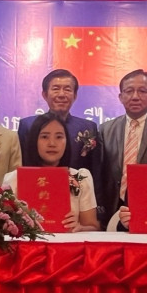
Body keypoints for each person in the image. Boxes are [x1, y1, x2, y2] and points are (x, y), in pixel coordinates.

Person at [17, 69, 102, 205]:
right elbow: (24, 164)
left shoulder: (88, 127)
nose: (62, 94)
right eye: (56, 89)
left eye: (67, 89)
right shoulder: (28, 125)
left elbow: (95, 171)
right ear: (45, 95)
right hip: (37, 195)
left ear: (75, 95)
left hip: (76, 199)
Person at [4, 113, 100, 232]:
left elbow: (93, 226)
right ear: (34, 141)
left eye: (59, 137)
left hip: (68, 243)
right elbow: (4, 226)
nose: (52, 143)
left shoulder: (80, 177)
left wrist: (79, 227)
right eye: (44, 137)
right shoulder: (14, 179)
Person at [98, 69, 147, 227]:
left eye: (142, 91)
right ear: (121, 97)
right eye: (129, 91)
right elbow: (100, 172)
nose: (135, 96)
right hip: (112, 205)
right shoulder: (105, 129)